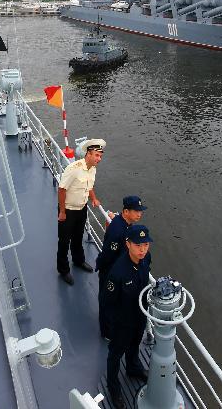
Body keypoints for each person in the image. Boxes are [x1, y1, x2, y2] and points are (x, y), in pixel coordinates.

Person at [101, 224, 152, 409]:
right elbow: (107, 302)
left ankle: (133, 367)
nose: (143, 249)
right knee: (115, 354)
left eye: (146, 244)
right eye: (138, 245)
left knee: (135, 344)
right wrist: (116, 325)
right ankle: (114, 388)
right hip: (122, 322)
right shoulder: (118, 273)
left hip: (140, 316)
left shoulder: (146, 260)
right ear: (128, 244)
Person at [96, 195, 147, 339]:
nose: (139, 214)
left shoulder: (124, 223)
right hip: (110, 272)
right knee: (107, 302)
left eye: (140, 211)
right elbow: (108, 255)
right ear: (126, 212)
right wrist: (107, 273)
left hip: (118, 271)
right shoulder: (117, 230)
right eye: (136, 211)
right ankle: (106, 333)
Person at [56, 138, 105, 285]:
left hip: (82, 208)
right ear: (88, 154)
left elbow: (89, 187)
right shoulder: (74, 168)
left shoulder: (93, 169)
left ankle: (78, 261)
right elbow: (62, 189)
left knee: (78, 237)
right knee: (64, 241)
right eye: (97, 155)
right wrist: (63, 212)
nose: (99, 159)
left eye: (100, 156)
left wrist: (94, 199)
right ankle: (63, 270)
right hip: (68, 210)